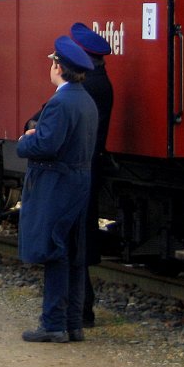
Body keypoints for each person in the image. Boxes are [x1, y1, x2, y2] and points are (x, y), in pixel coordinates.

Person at [17, 35, 98, 343]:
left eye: (53, 63)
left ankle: (52, 324)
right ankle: (73, 323)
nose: (50, 67)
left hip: (57, 183)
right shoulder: (84, 99)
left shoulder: (60, 102)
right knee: (74, 252)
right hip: (79, 181)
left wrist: (27, 138)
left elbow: (46, 144)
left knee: (55, 251)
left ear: (59, 68)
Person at [69, 21, 114, 327]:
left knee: (75, 239)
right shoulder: (98, 84)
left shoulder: (89, 89)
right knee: (76, 238)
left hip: (78, 172)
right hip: (87, 168)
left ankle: (81, 308)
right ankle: (80, 306)